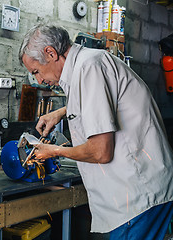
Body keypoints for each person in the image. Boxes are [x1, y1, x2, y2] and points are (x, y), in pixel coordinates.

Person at [19, 24, 173, 239]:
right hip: (136, 195)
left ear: (51, 53)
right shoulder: (86, 64)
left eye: (36, 71)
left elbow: (101, 152)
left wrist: (53, 151)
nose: (38, 80)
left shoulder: (89, 67)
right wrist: (62, 112)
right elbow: (107, 100)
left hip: (138, 197)